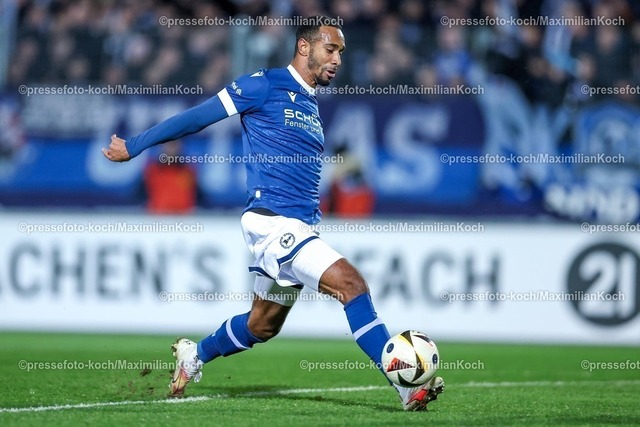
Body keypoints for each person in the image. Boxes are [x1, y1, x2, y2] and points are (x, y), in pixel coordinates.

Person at [102, 16, 443, 411]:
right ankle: (404, 385)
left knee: (261, 325)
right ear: (304, 47)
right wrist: (135, 145)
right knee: (352, 285)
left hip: (299, 226)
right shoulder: (262, 85)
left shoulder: (310, 104)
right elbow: (197, 116)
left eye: (341, 53)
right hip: (273, 222)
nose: (337, 59)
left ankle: (193, 355)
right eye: (330, 49)